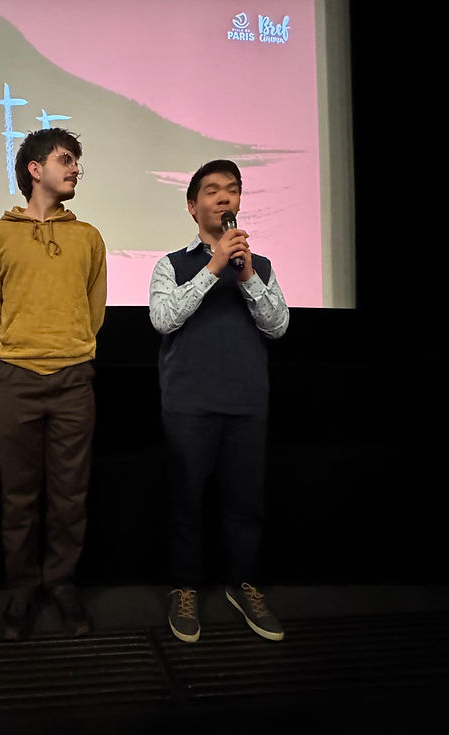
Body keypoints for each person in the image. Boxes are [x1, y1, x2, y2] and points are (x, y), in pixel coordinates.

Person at [149, 159, 289, 644]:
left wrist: (247, 274)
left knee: (245, 503)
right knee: (186, 501)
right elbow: (164, 319)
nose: (224, 198)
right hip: (189, 403)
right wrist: (212, 267)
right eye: (212, 191)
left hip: (247, 403)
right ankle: (185, 588)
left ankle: (243, 585)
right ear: (193, 206)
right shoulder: (171, 264)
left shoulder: (260, 266)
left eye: (232, 190)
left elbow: (278, 326)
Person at [0, 128, 107, 641]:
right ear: (35, 169)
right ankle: (21, 589)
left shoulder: (88, 236)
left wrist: (70, 349)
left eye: (76, 161)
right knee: (18, 495)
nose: (75, 169)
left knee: (71, 495)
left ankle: (62, 582)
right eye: (66, 159)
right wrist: (18, 352)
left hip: (75, 378)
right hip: (15, 379)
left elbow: (93, 310)